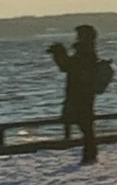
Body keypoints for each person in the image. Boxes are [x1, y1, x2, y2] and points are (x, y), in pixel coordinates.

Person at [47, 23, 111, 164]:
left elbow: (68, 66)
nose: (76, 37)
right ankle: (90, 154)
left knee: (85, 125)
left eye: (79, 35)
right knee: (85, 125)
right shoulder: (88, 51)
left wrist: (59, 53)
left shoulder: (85, 52)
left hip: (80, 94)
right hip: (83, 93)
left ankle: (89, 154)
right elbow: (69, 66)